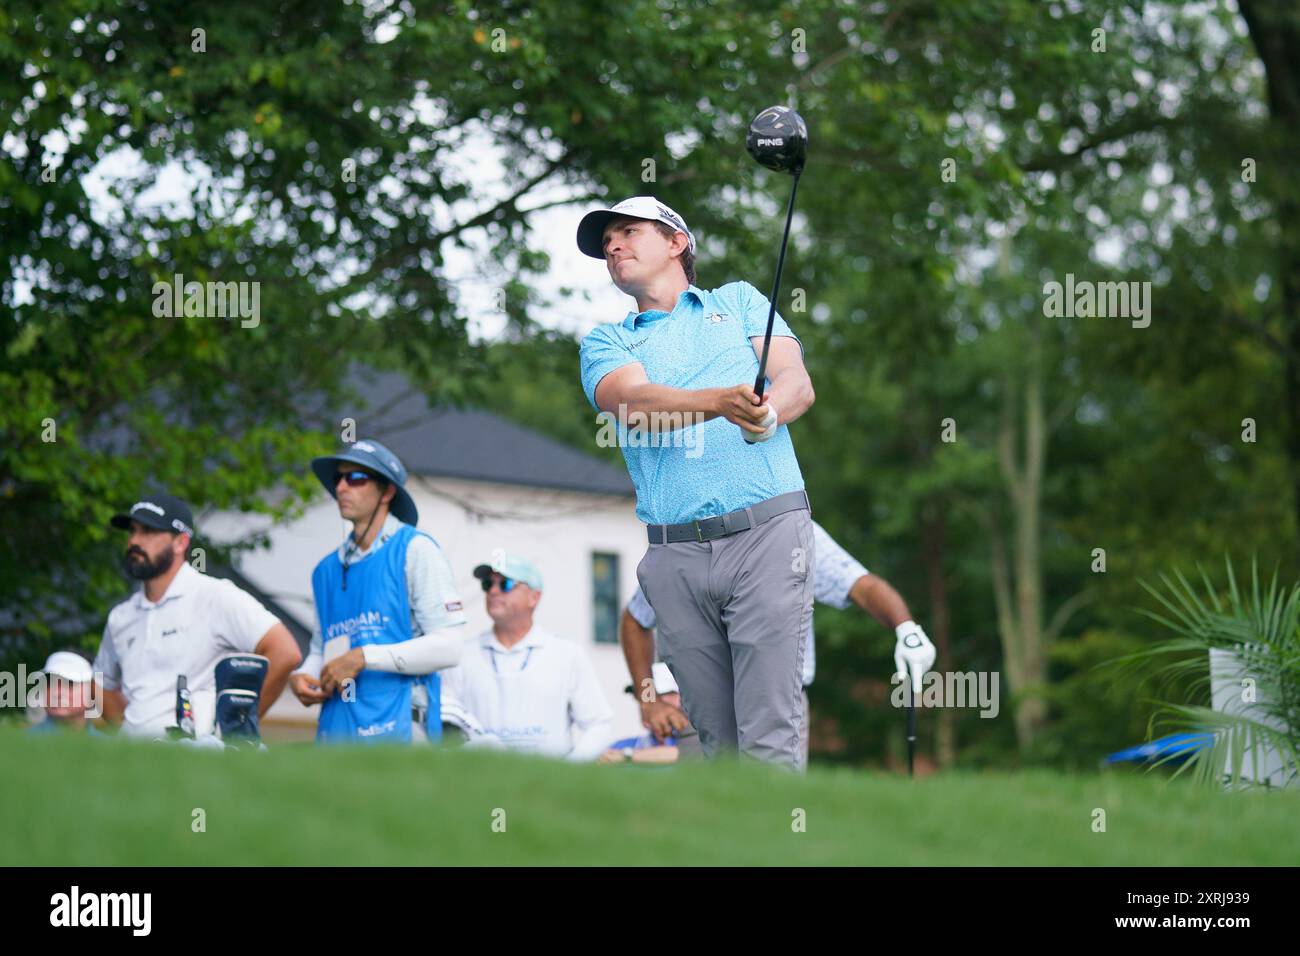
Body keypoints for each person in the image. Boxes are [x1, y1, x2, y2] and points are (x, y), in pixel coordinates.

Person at [577, 195, 816, 769]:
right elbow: (636, 406)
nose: (613, 246)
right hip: (674, 553)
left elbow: (795, 382)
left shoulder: (737, 303)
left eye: (629, 232)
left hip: (767, 533)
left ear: (677, 242)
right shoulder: (607, 342)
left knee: (769, 732)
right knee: (714, 742)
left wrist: (768, 413)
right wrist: (724, 403)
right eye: (607, 241)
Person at [620, 520, 936, 766]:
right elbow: (636, 618)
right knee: (700, 813)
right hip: (700, 705)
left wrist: (906, 628)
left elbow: (863, 587)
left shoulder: (796, 534)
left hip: (781, 701)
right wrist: (648, 699)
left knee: (775, 810)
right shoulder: (697, 535)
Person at [289, 440, 466, 744]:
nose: (342, 487)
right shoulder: (324, 570)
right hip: (336, 731)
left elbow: (449, 648)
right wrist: (302, 674)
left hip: (402, 730)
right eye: (338, 479)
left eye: (356, 478)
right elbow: (322, 647)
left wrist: (364, 657)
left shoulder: (416, 549)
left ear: (387, 492)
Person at [93, 493, 302, 738]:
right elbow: (100, 684)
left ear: (180, 543)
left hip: (196, 758)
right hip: (134, 762)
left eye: (148, 532)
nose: (135, 541)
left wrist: (236, 727)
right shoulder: (121, 616)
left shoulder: (215, 596)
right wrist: (130, 731)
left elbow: (285, 653)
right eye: (133, 531)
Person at [438, 553, 614, 760]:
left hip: (549, 784)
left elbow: (599, 724)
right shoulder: (461, 656)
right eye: (487, 584)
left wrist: (569, 770)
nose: (493, 591)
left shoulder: (566, 654)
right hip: (483, 783)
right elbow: (446, 726)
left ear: (534, 597)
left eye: (505, 584)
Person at [598, 663, 700, 765]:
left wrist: (627, 755)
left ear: (679, 697)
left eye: (656, 697)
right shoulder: (623, 745)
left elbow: (688, 752)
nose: (645, 705)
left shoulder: (702, 738)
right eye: (640, 697)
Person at [27, 651, 103, 736]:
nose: (56, 692)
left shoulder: (109, 745)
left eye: (70, 683)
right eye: (49, 682)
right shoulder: (23, 743)